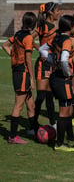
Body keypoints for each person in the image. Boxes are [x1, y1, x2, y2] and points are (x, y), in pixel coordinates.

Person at [40, 15, 74, 152]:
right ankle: (59, 144)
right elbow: (64, 59)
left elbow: (42, 49)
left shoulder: (56, 37)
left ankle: (70, 137)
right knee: (64, 112)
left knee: (68, 109)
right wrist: (67, 73)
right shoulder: (67, 40)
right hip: (61, 79)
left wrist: (51, 60)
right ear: (71, 27)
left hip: (55, 77)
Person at [2, 12, 38, 144]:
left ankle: (33, 130)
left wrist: (13, 55)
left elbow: (4, 45)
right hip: (23, 72)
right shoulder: (27, 37)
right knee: (19, 105)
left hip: (18, 72)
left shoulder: (18, 34)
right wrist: (32, 79)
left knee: (31, 105)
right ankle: (12, 136)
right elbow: (28, 58)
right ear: (33, 24)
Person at [32, 2, 60, 132]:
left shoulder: (54, 27)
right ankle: (32, 126)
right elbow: (29, 38)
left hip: (52, 64)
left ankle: (53, 123)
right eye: (57, 10)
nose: (58, 13)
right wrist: (40, 50)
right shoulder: (43, 26)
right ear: (50, 13)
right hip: (42, 65)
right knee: (40, 97)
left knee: (50, 96)